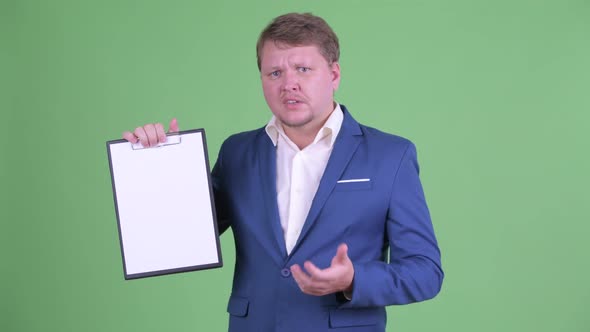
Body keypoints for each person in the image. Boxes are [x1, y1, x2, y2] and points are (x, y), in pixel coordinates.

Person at [123, 12, 443, 332]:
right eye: (274, 72)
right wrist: (156, 163)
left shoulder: (391, 156)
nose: (289, 83)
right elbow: (181, 239)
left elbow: (426, 272)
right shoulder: (237, 153)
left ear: (333, 75)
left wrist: (354, 279)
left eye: (303, 69)